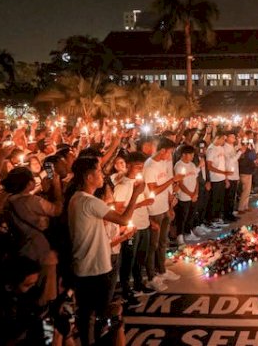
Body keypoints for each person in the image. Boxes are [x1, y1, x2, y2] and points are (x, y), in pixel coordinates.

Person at [67, 157, 145, 346]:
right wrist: (135, 194)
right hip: (94, 268)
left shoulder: (76, 199)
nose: (102, 175)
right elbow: (124, 218)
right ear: (88, 177)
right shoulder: (90, 202)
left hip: (85, 266)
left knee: (88, 316)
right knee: (97, 317)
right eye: (99, 172)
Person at [2, 166, 64, 305]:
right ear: (29, 183)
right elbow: (57, 210)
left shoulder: (9, 201)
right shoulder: (31, 201)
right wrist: (57, 187)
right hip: (41, 250)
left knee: (31, 290)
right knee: (45, 292)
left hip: (24, 249)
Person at [114, 151, 159, 305]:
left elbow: (145, 201)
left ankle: (139, 284)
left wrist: (151, 219)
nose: (140, 170)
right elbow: (119, 210)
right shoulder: (122, 185)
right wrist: (141, 204)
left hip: (144, 225)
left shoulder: (141, 183)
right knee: (128, 259)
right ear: (128, 166)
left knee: (140, 257)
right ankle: (126, 289)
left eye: (142, 167)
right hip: (131, 229)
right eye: (137, 167)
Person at [143, 138, 183, 289]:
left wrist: (170, 206)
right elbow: (153, 189)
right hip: (154, 211)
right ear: (162, 151)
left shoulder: (163, 163)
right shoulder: (150, 166)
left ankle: (162, 270)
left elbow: (166, 188)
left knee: (163, 242)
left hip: (164, 208)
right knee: (152, 245)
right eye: (170, 152)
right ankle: (151, 276)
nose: (170, 156)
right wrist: (172, 180)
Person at [174, 145, 199, 243]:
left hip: (193, 195)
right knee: (182, 216)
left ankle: (188, 232)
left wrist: (196, 192)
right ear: (184, 154)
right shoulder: (179, 166)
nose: (192, 157)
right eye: (190, 154)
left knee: (191, 215)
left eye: (193, 155)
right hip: (184, 196)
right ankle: (180, 235)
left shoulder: (192, 165)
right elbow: (180, 183)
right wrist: (190, 194)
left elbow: (196, 179)